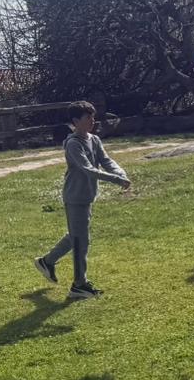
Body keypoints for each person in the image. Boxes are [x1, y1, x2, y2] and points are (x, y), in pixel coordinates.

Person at [33, 101, 131, 300]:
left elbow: (106, 160)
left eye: (93, 117)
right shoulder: (73, 144)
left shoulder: (94, 139)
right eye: (88, 118)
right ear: (75, 121)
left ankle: (47, 262)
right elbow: (87, 169)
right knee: (81, 241)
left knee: (76, 236)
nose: (92, 121)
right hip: (75, 197)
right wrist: (116, 180)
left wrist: (120, 172)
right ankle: (79, 285)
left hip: (87, 197)